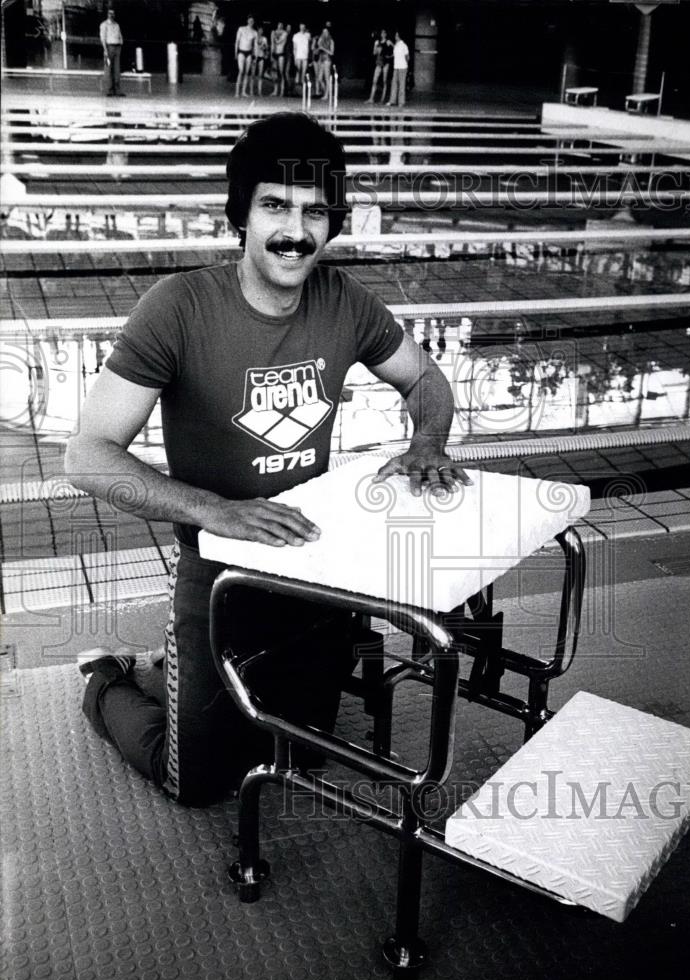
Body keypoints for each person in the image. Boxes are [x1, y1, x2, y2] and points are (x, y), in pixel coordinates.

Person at [65, 112, 470, 808]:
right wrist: (216, 511)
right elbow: (87, 455)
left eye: (315, 212)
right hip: (217, 573)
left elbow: (426, 379)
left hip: (311, 565)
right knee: (194, 778)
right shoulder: (179, 308)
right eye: (276, 206)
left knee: (302, 750)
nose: (296, 231)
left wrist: (426, 440)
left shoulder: (344, 300)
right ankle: (107, 679)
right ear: (242, 216)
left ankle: (177, 667)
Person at [99, 8, 124, 97]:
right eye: (110, 13)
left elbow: (120, 35)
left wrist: (121, 43)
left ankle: (117, 90)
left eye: (113, 13)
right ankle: (109, 90)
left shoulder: (117, 25)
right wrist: (105, 50)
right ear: (107, 14)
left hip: (117, 47)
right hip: (109, 47)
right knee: (108, 70)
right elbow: (103, 38)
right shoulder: (104, 25)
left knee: (117, 69)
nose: (111, 15)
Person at [366, 29, 392, 104]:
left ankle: (382, 100)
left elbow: (395, 49)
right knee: (374, 80)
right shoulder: (378, 42)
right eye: (382, 33)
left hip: (386, 63)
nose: (383, 34)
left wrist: (389, 56)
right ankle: (371, 98)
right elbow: (374, 53)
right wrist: (375, 46)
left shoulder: (388, 41)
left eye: (384, 33)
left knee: (384, 81)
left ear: (386, 34)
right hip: (379, 62)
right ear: (380, 34)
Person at [234, 15, 257, 98]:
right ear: (247, 21)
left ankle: (243, 91)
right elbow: (237, 41)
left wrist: (255, 57)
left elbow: (255, 46)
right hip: (241, 51)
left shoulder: (254, 32)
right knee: (241, 71)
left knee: (247, 73)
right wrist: (235, 53)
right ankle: (237, 92)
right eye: (250, 20)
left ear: (253, 22)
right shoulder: (241, 29)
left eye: (252, 21)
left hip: (249, 53)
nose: (251, 22)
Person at [387, 31, 409, 107]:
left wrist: (405, 64)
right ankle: (392, 101)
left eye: (396, 35)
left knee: (401, 85)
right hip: (396, 67)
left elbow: (407, 57)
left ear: (399, 36)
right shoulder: (396, 45)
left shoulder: (404, 46)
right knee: (394, 84)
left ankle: (401, 102)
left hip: (402, 67)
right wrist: (389, 56)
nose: (395, 36)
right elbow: (395, 53)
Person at [315, 22, 334, 101]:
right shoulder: (321, 40)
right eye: (323, 32)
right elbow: (317, 51)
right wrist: (318, 48)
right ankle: (327, 92)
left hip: (327, 60)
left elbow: (331, 53)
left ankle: (327, 95)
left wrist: (323, 48)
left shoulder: (331, 41)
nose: (324, 34)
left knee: (326, 78)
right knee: (319, 79)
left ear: (328, 33)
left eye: (326, 32)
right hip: (321, 59)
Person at [292, 23, 311, 96]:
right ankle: (296, 89)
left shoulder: (308, 35)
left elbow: (309, 45)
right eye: (301, 27)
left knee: (304, 72)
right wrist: (295, 58)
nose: (302, 28)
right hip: (298, 55)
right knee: (298, 71)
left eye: (303, 27)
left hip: (305, 56)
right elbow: (294, 48)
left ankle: (303, 90)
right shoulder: (296, 35)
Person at [270, 21, 288, 97]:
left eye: (281, 24)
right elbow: (272, 44)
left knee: (281, 72)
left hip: (281, 53)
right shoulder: (273, 32)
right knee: (275, 73)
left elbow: (278, 41)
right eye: (279, 24)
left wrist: (274, 36)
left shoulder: (285, 33)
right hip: (275, 53)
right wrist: (271, 55)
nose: (280, 25)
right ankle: (275, 90)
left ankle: (282, 91)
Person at [253, 26, 269, 96]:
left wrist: (264, 48)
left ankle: (259, 91)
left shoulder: (264, 39)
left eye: (262, 30)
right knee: (253, 74)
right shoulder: (254, 38)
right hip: (255, 57)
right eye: (259, 30)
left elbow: (266, 47)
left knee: (260, 75)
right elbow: (252, 47)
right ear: (257, 31)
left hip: (261, 57)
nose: (260, 31)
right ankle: (251, 91)